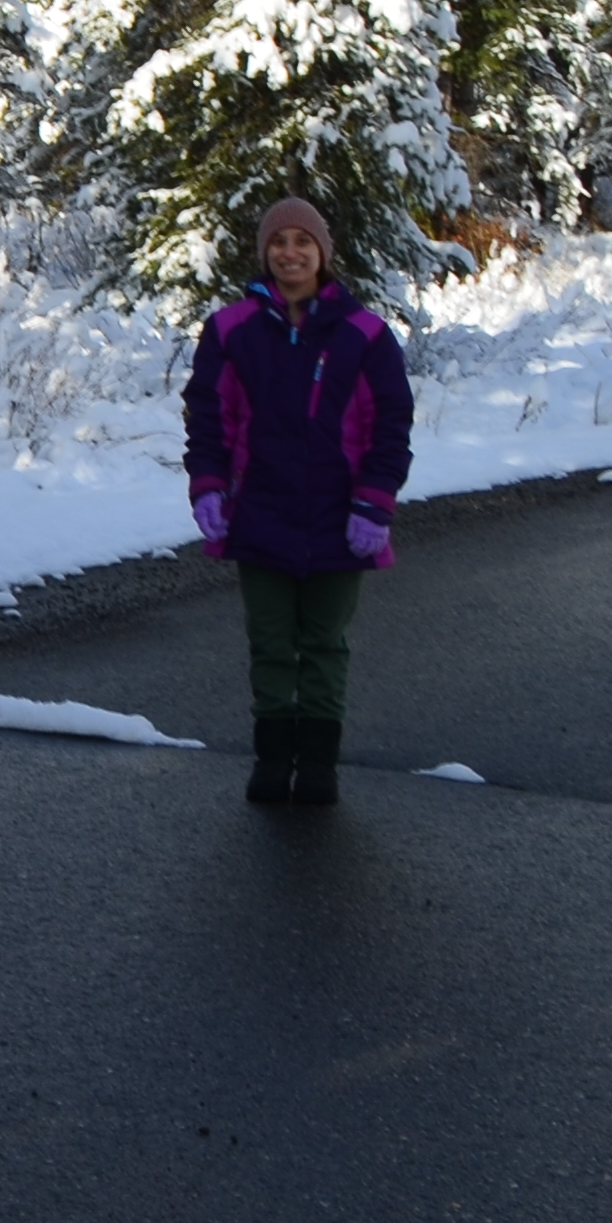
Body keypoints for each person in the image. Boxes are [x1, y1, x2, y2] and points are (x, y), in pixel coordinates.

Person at [179, 195, 414, 807]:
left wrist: (374, 502)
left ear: (322, 254)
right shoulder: (231, 330)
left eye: (302, 242)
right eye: (278, 242)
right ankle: (271, 758)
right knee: (271, 643)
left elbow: (392, 424)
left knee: (325, 645)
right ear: (265, 254)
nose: (290, 253)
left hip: (341, 520)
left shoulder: (364, 335)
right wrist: (208, 485)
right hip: (259, 514)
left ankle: (317, 765)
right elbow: (208, 415)